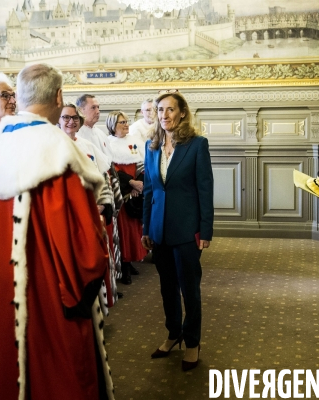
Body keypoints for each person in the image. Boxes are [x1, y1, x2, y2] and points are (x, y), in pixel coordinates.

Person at [0, 64, 114, 399]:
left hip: (4, 291)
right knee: (59, 373)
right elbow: (83, 251)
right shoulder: (58, 150)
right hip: (54, 294)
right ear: (58, 96)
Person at [141, 91, 214, 371]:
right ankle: (174, 334)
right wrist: (147, 227)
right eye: (160, 110)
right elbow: (149, 190)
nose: (164, 115)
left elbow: (205, 190)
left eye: (170, 110)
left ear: (182, 112)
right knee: (166, 288)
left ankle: (192, 341)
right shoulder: (152, 145)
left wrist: (205, 230)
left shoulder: (197, 145)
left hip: (187, 230)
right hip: (158, 230)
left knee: (189, 289)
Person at [59, 103, 120, 310]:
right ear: (58, 120)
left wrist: (102, 205)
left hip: (95, 213)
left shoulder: (88, 146)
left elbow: (103, 177)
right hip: (69, 217)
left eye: (75, 118)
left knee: (97, 260)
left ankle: (100, 307)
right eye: (66, 117)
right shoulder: (54, 146)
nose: (71, 121)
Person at [107, 111, 148, 285]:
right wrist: (130, 183)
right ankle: (124, 267)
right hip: (121, 194)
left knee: (134, 231)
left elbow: (142, 166)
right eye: (121, 122)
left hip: (135, 193)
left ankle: (130, 263)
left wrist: (138, 184)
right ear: (112, 125)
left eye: (126, 121)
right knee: (122, 233)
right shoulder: (108, 144)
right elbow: (112, 171)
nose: (125, 125)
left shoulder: (134, 142)